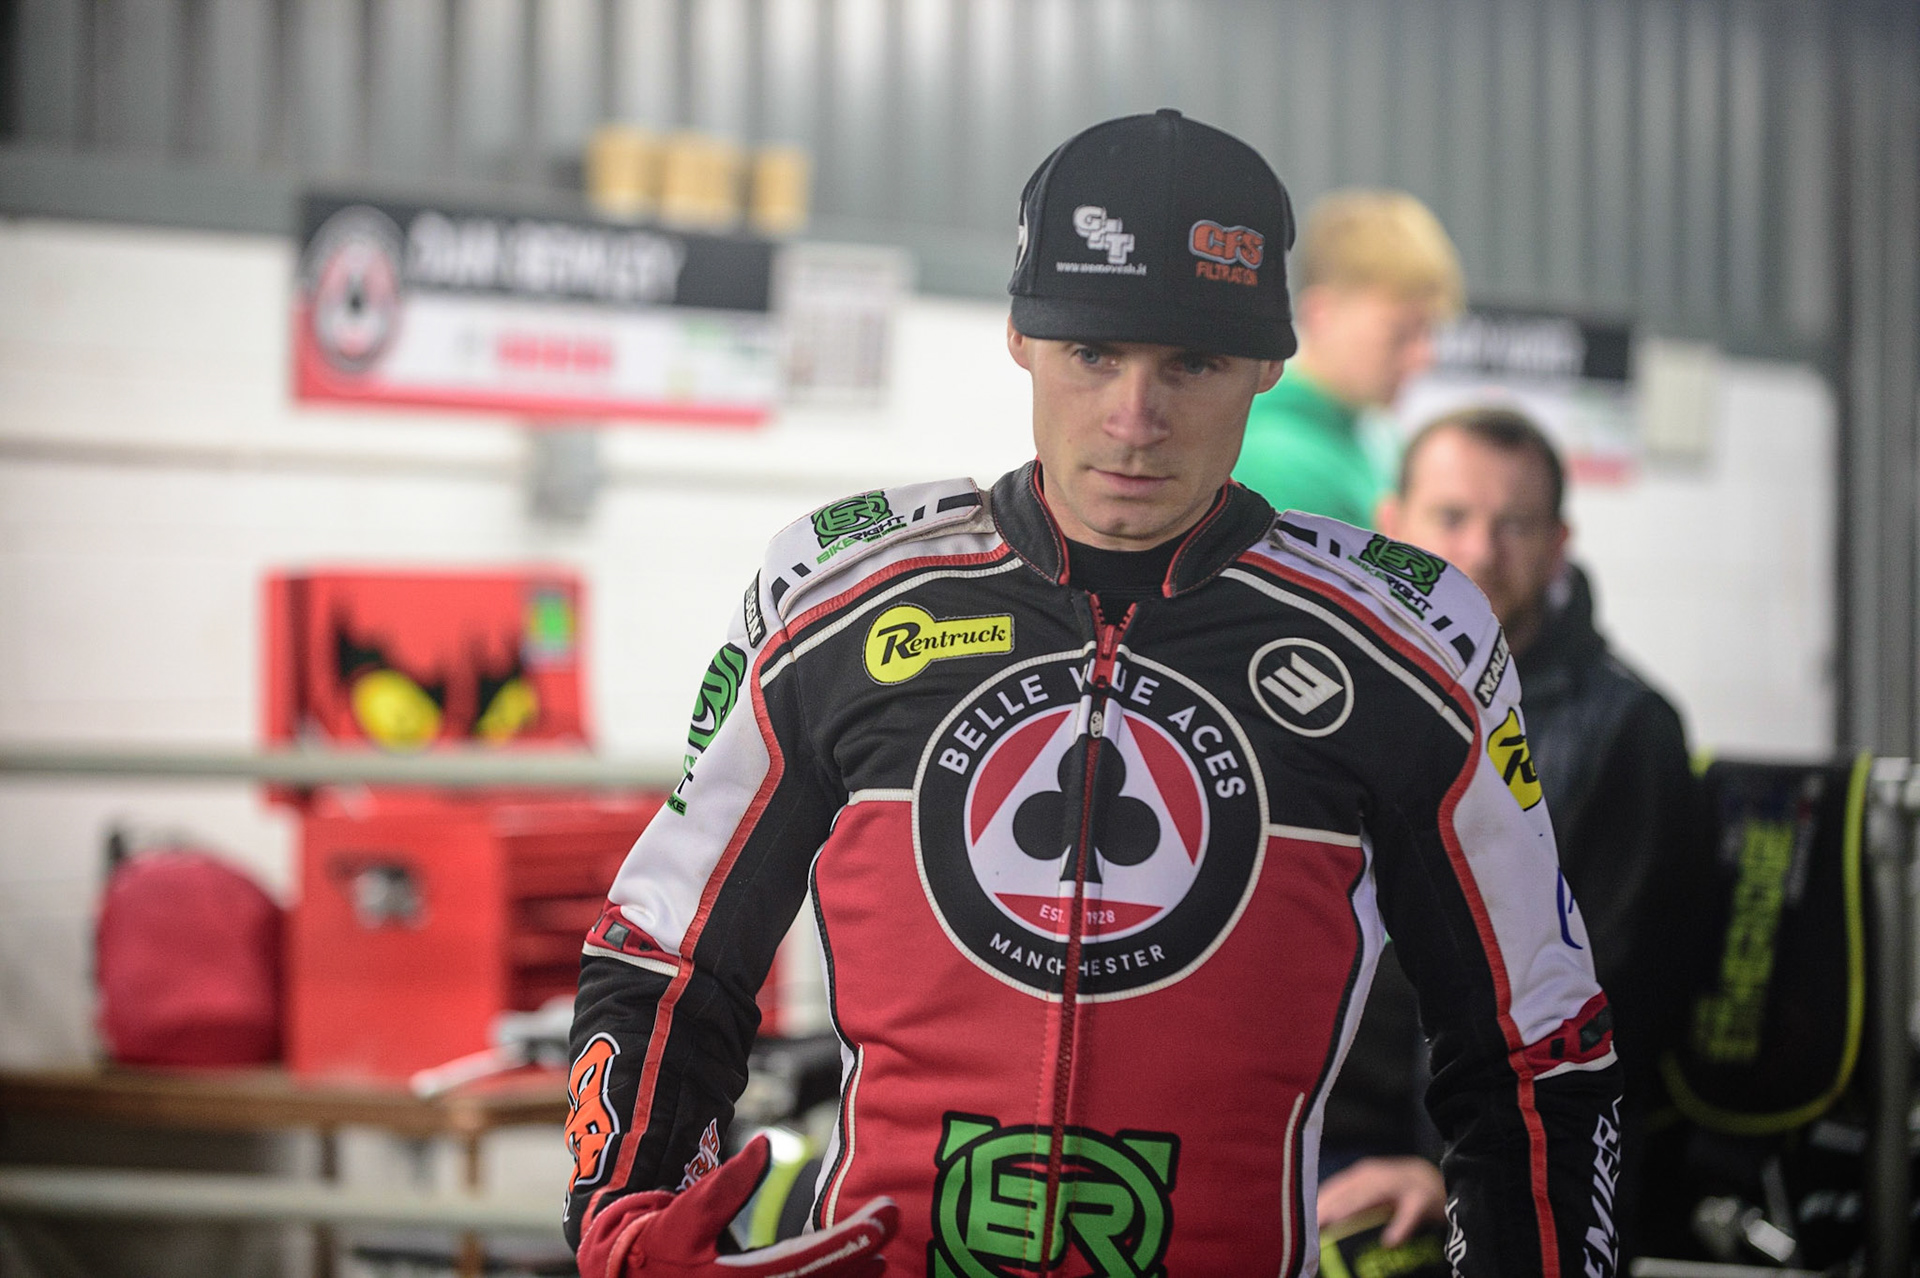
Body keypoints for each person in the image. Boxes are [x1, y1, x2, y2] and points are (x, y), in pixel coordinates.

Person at [564, 111, 1622, 1278]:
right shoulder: (833, 594)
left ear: (1272, 365)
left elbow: (1537, 1045)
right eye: (1093, 355)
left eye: (1194, 364)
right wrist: (624, 1217)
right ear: (1020, 336)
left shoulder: (1411, 641)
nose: (1135, 418)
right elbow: (665, 952)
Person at [1320, 406, 1704, 1262]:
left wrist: (1443, 1173)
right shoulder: (1330, 689)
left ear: (1559, 542)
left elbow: (1606, 1008)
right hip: (1299, 1138)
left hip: (1478, 1170)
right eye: (1451, 518)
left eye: (1515, 524)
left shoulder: (1628, 730)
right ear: (1392, 526)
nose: (1481, 552)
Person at [1230, 189, 1464, 529]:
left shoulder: (1373, 435)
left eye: (1428, 332)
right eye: (1398, 334)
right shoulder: (1277, 458)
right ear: (1321, 315)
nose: (1423, 356)